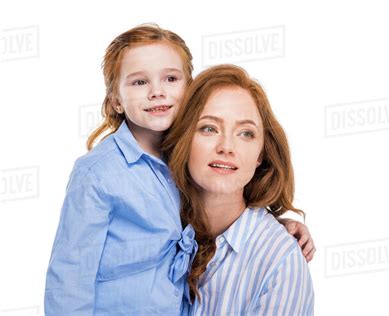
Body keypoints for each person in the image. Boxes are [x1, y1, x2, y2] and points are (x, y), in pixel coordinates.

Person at [45, 24, 314, 315]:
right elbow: (69, 278)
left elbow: (222, 206)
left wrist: (277, 224)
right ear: (115, 101)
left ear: (189, 90)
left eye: (171, 79)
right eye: (139, 82)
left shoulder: (180, 162)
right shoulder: (99, 173)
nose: (157, 92)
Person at [164, 64, 314, 315]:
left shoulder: (280, 261)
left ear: (260, 155)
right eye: (209, 128)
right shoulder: (156, 225)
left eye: (246, 133)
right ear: (183, 138)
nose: (226, 147)